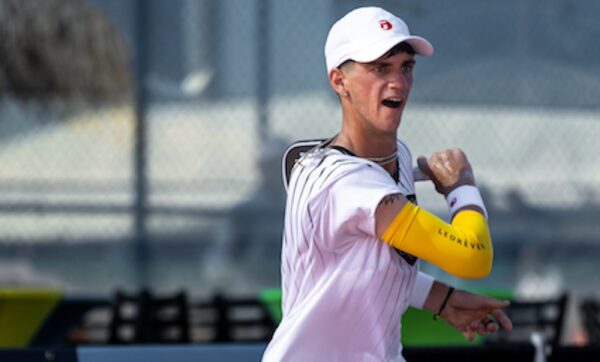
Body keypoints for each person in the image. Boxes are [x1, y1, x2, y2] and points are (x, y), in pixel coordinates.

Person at [262, 6, 512, 362]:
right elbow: (472, 258)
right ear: (338, 80)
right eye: (380, 68)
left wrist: (441, 299)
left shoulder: (393, 157)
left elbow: (364, 269)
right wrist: (463, 188)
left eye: (405, 66)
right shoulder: (347, 182)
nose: (398, 82)